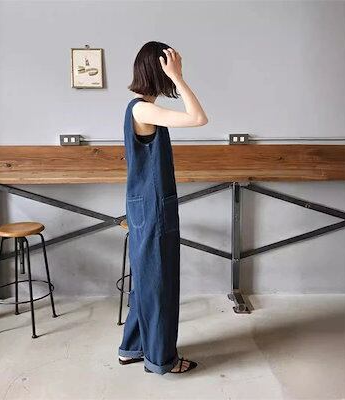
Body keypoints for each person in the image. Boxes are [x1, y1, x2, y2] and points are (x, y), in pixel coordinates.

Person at [118, 41, 208, 375]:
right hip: (153, 208)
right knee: (159, 284)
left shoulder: (140, 108)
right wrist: (179, 78)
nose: (176, 68)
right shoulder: (142, 110)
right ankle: (161, 360)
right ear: (159, 70)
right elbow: (198, 118)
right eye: (171, 65)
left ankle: (132, 348)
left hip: (148, 205)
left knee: (147, 281)